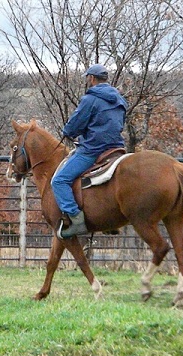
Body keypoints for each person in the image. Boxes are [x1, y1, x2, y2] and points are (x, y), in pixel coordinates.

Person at [51, 64, 128, 239]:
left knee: (60, 181)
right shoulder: (120, 99)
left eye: (88, 78)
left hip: (93, 149)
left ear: (92, 79)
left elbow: (76, 123)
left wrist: (68, 132)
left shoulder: (90, 99)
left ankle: (76, 219)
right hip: (116, 148)